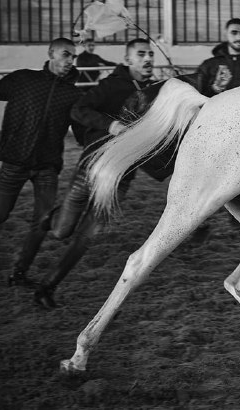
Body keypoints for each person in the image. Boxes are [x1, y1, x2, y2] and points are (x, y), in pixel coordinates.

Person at [33, 38, 156, 309]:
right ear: (128, 60)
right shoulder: (112, 85)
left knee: (86, 237)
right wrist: (110, 125)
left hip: (120, 181)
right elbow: (79, 110)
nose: (148, 58)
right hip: (91, 169)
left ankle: (47, 286)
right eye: (141, 54)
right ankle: (52, 219)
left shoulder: (157, 93)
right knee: (61, 232)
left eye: (150, 54)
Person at [0, 39, 82, 287]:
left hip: (47, 167)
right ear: (50, 54)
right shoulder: (23, 79)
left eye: (73, 57)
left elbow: (82, 130)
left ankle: (19, 273)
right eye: (66, 55)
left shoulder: (73, 94)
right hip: (15, 161)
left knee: (42, 222)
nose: (70, 61)